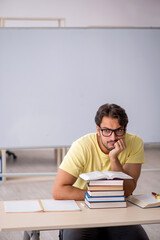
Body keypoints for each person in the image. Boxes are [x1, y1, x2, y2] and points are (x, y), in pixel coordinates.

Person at [52, 103, 149, 240]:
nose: (113, 138)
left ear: (125, 129)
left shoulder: (135, 143)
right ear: (98, 130)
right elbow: (58, 190)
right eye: (106, 131)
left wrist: (114, 158)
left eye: (118, 130)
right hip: (83, 208)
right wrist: (99, 197)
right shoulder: (82, 146)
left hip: (118, 210)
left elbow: (127, 191)